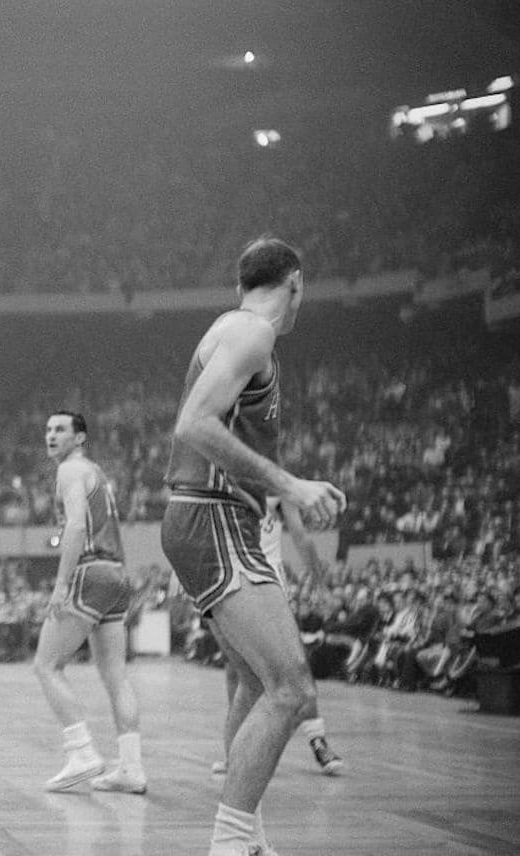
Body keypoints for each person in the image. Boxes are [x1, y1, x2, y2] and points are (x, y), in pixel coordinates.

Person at [161, 236, 346, 856]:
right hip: (214, 520)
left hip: (210, 520)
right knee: (291, 686)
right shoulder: (252, 335)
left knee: (252, 684)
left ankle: (252, 837)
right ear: (295, 282)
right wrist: (289, 482)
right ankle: (231, 844)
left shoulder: (231, 329)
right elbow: (194, 424)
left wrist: (287, 496)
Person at [34, 411, 147, 795]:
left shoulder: (69, 471)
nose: (51, 435)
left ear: (79, 437)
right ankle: (131, 767)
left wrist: (62, 583)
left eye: (60, 429)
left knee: (47, 665)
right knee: (115, 674)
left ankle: (81, 751)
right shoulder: (98, 473)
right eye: (48, 429)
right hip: (117, 573)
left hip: (90, 570)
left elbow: (78, 526)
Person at [212, 496, 344, 776]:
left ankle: (315, 739)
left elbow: (302, 537)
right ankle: (239, 749)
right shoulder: (246, 481)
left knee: (283, 669)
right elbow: (302, 539)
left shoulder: (267, 485)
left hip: (253, 583)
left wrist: (319, 582)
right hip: (247, 583)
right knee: (247, 671)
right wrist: (319, 582)